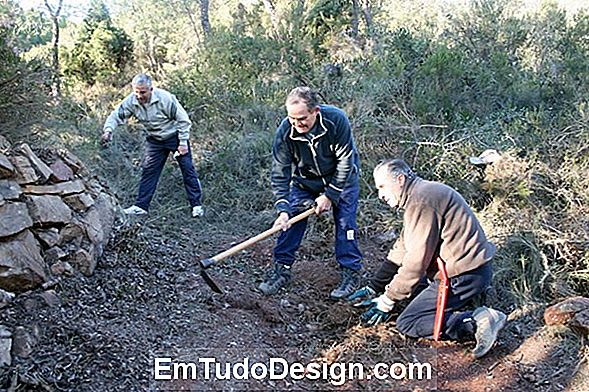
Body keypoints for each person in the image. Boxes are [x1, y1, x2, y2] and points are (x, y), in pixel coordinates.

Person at [348, 158, 506, 359]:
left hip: (464, 276)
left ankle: (476, 320)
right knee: (408, 295)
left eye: (382, 187)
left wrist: (387, 300)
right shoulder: (420, 195)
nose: (380, 195)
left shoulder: (422, 201)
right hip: (468, 270)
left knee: (408, 322)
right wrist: (375, 286)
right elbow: (402, 249)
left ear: (400, 179)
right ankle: (469, 304)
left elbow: (416, 261)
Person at [258, 87, 363, 299]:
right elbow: (280, 173)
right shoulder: (285, 131)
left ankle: (351, 272)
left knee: (345, 224)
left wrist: (330, 195)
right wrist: (283, 209)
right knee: (291, 222)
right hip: (306, 182)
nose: (297, 124)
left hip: (342, 180)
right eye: (292, 118)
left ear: (316, 111)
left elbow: (345, 161)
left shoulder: (336, 120)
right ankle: (282, 270)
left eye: (302, 118)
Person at [101, 73, 204, 218]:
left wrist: (182, 143)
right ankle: (141, 206)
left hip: (175, 136)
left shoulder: (165, 98)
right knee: (149, 171)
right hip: (155, 140)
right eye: (136, 92)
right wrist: (108, 130)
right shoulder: (131, 101)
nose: (139, 95)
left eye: (142, 92)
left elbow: (183, 120)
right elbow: (116, 115)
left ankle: (196, 206)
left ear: (151, 89)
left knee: (187, 169)